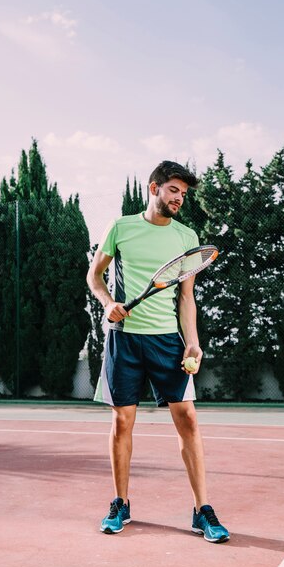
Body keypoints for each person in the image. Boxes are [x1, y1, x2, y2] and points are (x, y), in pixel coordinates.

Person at [87, 160, 229, 543]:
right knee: (122, 423)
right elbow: (94, 275)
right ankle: (121, 503)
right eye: (173, 191)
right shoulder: (121, 227)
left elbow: (187, 297)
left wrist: (193, 341)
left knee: (189, 421)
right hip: (125, 338)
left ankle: (202, 510)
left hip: (168, 342)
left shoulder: (186, 236)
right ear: (154, 189)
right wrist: (106, 302)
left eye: (183, 194)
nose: (179, 199)